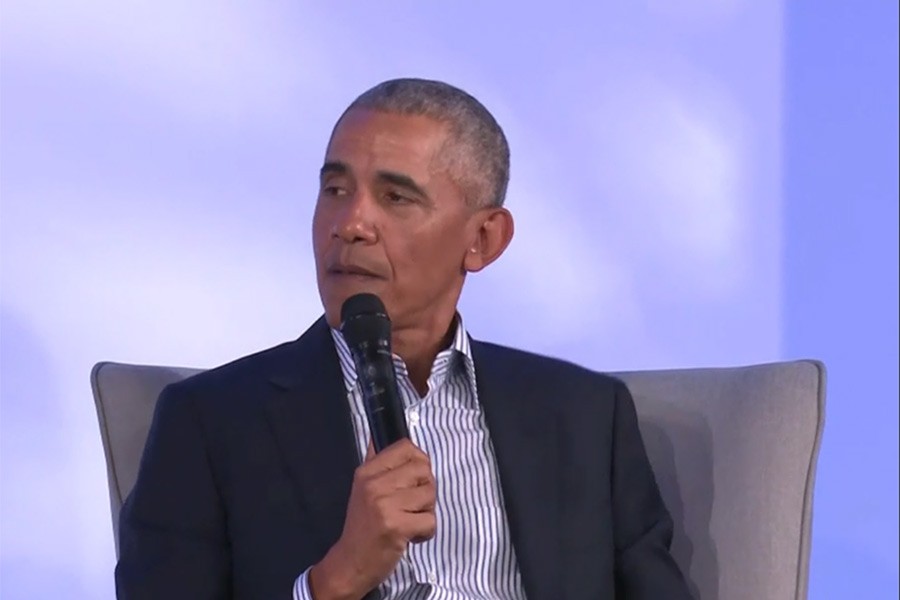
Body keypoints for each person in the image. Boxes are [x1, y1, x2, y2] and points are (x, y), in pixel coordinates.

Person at [115, 78, 694, 600]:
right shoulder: (211, 423)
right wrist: (336, 579)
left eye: (396, 197)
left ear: (484, 239)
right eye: (336, 190)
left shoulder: (585, 416)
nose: (351, 224)